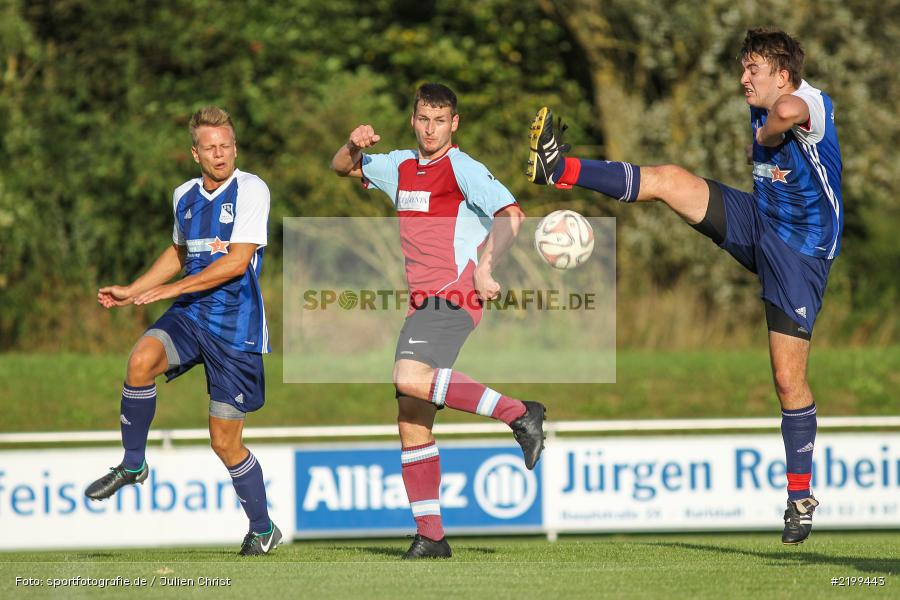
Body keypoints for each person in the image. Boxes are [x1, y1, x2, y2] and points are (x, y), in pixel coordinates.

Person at [528, 28, 841, 545]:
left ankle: (799, 496)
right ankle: (560, 167)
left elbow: (786, 115)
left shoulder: (807, 100)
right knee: (670, 180)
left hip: (800, 255)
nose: (743, 78)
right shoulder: (768, 100)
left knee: (788, 382)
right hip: (757, 220)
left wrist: (761, 140)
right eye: (743, 68)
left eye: (753, 70)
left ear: (783, 75)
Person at [332, 83, 546, 559]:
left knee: (408, 376)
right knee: (411, 418)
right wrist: (352, 145)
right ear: (414, 121)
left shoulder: (462, 167)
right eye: (424, 119)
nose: (431, 128)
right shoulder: (398, 165)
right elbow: (342, 168)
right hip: (420, 303)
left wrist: (486, 266)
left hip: (454, 293)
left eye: (440, 120)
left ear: (455, 124)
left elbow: (511, 214)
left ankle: (519, 413)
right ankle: (431, 536)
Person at [84, 106, 281, 556]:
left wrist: (170, 289)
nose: (220, 154)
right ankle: (134, 465)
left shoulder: (251, 189)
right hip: (192, 314)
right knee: (140, 361)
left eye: (226, 145)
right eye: (210, 147)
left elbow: (235, 262)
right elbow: (179, 251)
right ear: (195, 153)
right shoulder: (184, 195)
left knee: (224, 442)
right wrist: (133, 289)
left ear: (235, 147)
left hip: (236, 328)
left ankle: (263, 528)